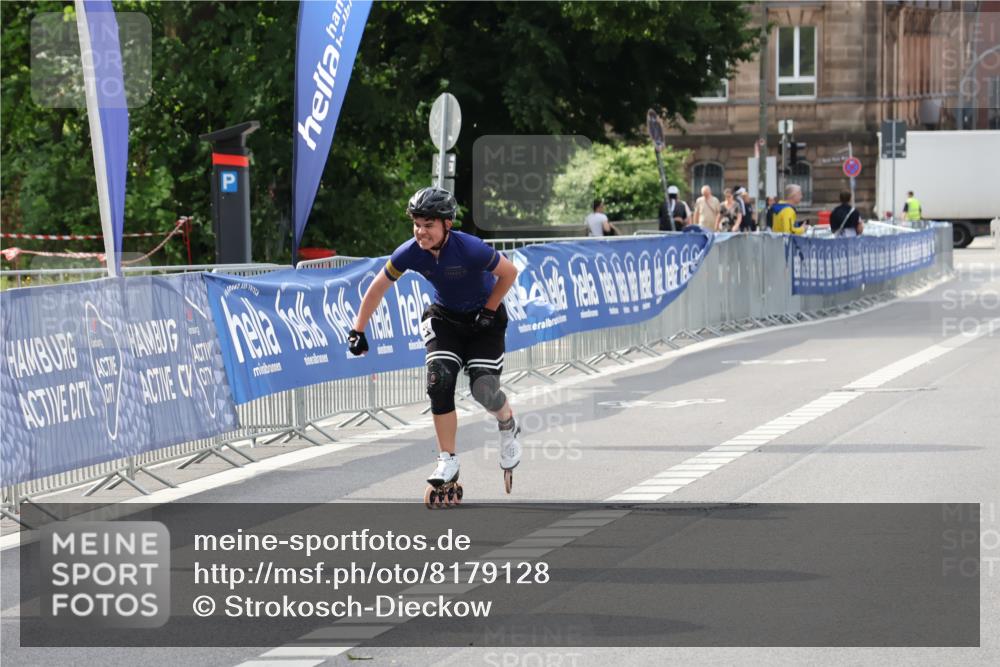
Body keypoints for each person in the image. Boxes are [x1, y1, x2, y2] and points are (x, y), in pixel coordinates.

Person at [348, 187, 522, 496]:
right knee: (438, 382)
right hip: (445, 319)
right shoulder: (410, 252)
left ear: (447, 225)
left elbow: (508, 273)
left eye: (428, 225)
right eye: (416, 223)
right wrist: (358, 329)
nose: (420, 231)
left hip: (485, 320)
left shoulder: (470, 248)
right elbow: (378, 287)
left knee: (483, 391)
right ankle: (447, 460)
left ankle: (507, 423)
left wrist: (489, 310)